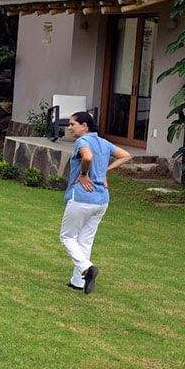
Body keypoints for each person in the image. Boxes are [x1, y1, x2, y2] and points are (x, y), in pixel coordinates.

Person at [59, 111, 132, 294]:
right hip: (101, 200)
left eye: (72, 124)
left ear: (84, 126)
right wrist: (104, 172)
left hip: (82, 197)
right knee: (85, 240)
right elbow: (125, 156)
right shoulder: (103, 142)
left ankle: (87, 268)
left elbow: (88, 157)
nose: (69, 128)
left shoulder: (82, 142)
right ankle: (78, 282)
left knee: (67, 237)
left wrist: (84, 174)